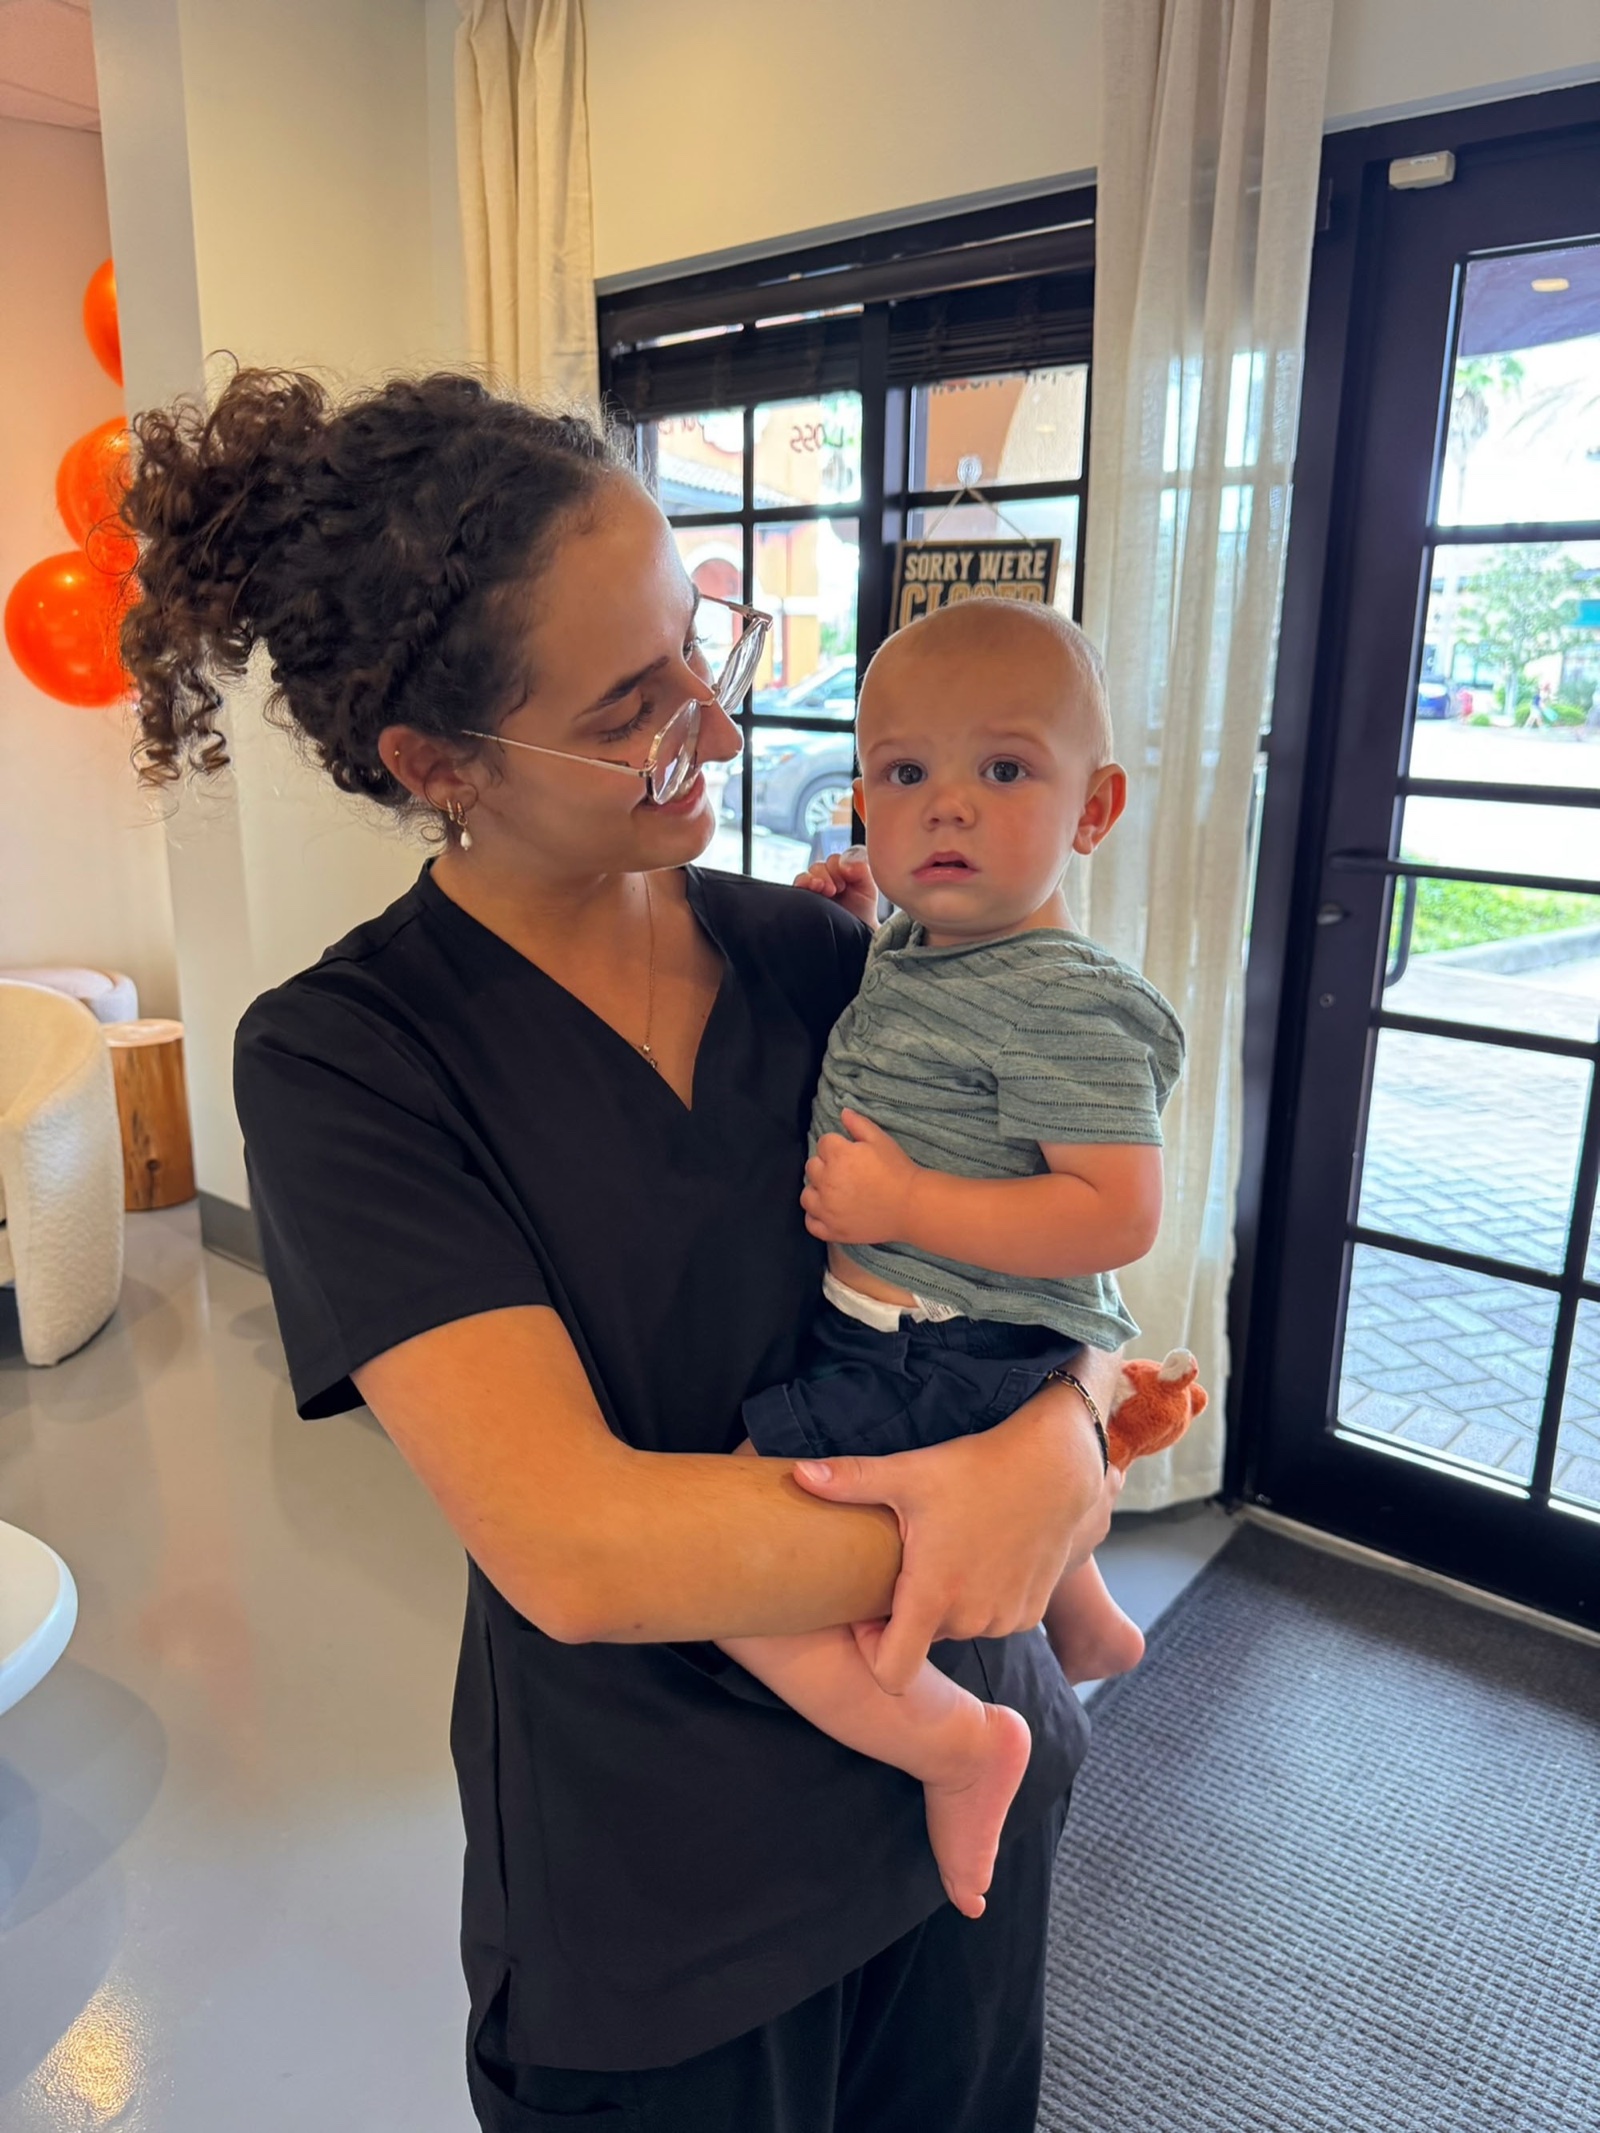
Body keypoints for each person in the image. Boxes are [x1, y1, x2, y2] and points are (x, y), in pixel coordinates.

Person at [118, 369, 1125, 2133]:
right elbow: (579, 1545)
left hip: (965, 1778)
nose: (721, 739)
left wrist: (1070, 1430)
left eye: (703, 654)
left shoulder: (829, 967)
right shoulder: (349, 1058)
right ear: (437, 767)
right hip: (666, 1908)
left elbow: (1060, 1271)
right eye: (634, 710)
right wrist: (992, 1512)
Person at [715, 600, 1186, 1924]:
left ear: (1093, 810)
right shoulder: (936, 945)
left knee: (732, 1560)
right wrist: (867, 926)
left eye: (1005, 769)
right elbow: (943, 1063)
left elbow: (1114, 1211)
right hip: (951, 1329)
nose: (947, 811)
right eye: (906, 774)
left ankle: (949, 1743)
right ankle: (1084, 1618)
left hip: (949, 1343)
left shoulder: (1066, 995)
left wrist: (908, 1195)